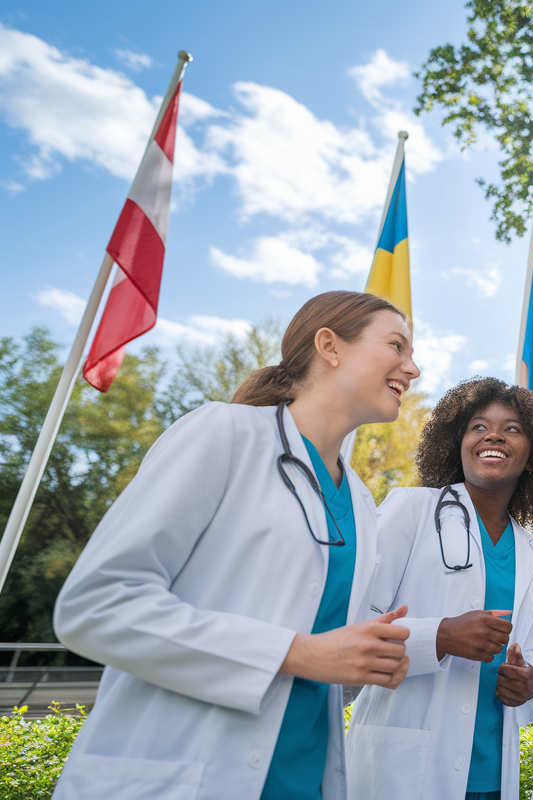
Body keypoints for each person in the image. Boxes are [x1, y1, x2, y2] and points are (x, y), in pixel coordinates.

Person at [53, 290, 420, 800]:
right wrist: (300, 654)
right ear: (329, 346)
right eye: (397, 346)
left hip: (301, 780)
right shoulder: (223, 433)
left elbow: (321, 662)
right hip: (182, 776)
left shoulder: (360, 500)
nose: (413, 368)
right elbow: (94, 605)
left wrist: (365, 661)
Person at [345, 377, 533, 800]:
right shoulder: (410, 510)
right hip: (403, 768)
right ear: (457, 442)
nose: (494, 436)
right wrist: (441, 636)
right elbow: (352, 626)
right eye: (478, 426)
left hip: (489, 773)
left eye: (513, 429)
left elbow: (529, 652)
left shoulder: (530, 551)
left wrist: (531, 683)